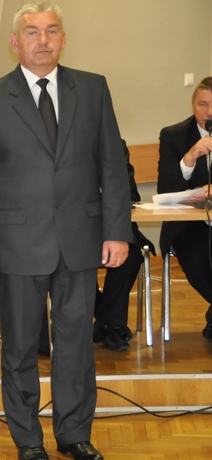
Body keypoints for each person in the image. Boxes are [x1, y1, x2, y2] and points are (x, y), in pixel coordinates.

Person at [0, 1, 132, 460]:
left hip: (81, 239)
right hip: (16, 245)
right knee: (19, 345)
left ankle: (74, 434)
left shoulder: (92, 89)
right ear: (15, 43)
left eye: (52, 30)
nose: (43, 40)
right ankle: (28, 437)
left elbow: (112, 167)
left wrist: (117, 231)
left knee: (76, 343)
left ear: (63, 39)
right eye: (32, 32)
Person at [156, 77, 212, 339]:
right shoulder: (173, 136)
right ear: (193, 106)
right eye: (203, 104)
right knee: (198, 258)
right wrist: (189, 158)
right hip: (190, 226)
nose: (209, 112)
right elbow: (165, 190)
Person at [92, 140, 155, 351]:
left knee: (131, 255)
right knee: (73, 259)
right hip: (75, 230)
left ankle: (106, 324)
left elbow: (130, 196)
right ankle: (109, 324)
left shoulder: (114, 145)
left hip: (113, 227)